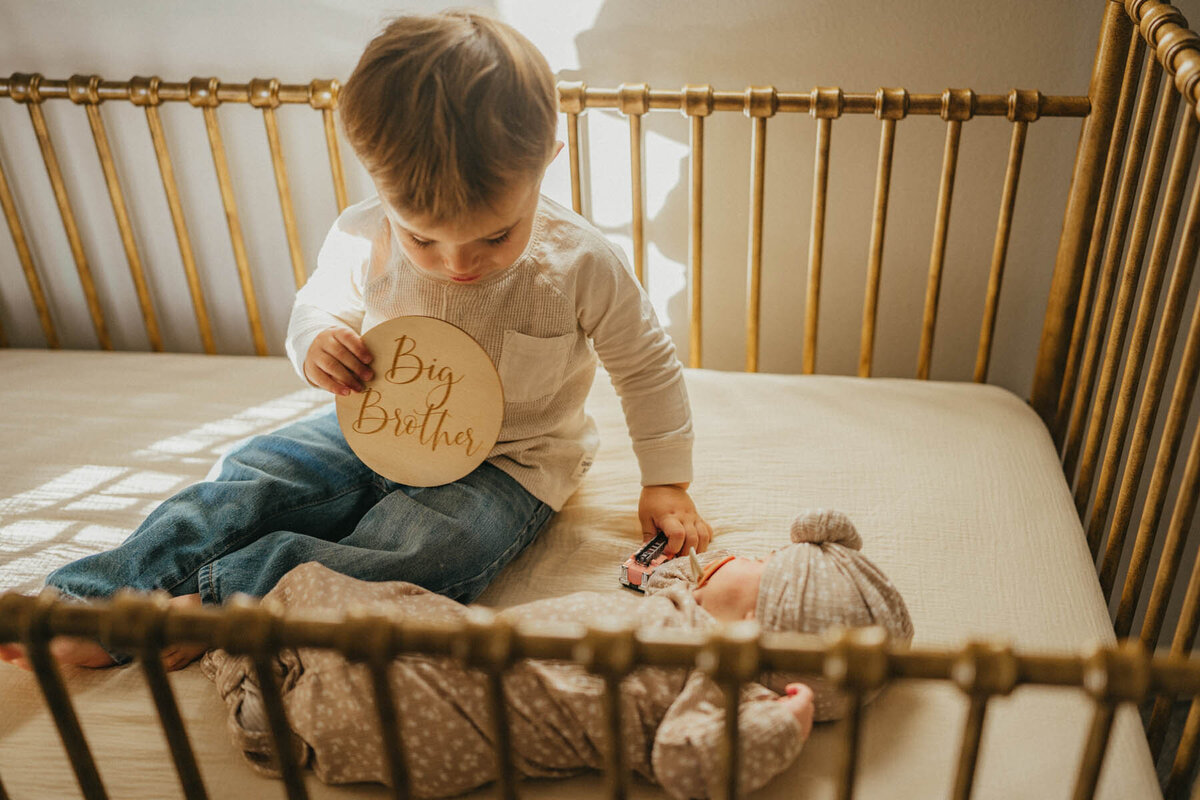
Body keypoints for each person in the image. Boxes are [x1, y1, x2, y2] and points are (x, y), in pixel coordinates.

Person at [0, 10, 710, 673]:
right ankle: (82, 601)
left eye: (496, 235)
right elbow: (317, 307)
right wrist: (318, 342)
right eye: (423, 238)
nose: (459, 265)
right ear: (376, 179)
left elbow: (646, 365)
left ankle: (221, 606)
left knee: (434, 547)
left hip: (508, 461)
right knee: (252, 473)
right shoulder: (363, 232)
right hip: (370, 423)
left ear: (548, 159)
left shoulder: (580, 263)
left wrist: (666, 478)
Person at [204, 510, 914, 799]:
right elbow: (668, 583)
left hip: (466, 712)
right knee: (373, 608)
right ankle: (277, 685)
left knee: (343, 635)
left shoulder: (723, 684)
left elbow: (690, 762)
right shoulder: (683, 614)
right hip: (465, 649)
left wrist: (782, 725)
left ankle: (253, 684)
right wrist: (677, 561)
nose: (743, 554)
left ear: (762, 625)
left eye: (761, 561)